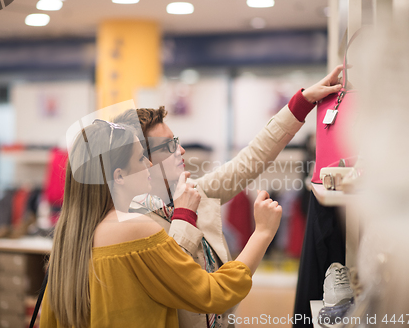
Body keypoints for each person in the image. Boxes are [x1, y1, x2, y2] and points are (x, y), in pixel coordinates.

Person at [112, 66, 344, 328]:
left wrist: (302, 103)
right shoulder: (132, 225)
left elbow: (249, 160)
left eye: (176, 140)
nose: (181, 150)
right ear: (140, 160)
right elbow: (180, 284)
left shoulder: (189, 193)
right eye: (167, 146)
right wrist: (187, 216)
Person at [40, 120, 283, 328]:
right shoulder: (137, 230)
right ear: (119, 176)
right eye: (140, 158)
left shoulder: (68, 242)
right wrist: (262, 232)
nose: (148, 164)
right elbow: (213, 293)